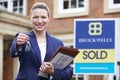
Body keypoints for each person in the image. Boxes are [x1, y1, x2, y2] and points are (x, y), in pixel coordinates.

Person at [10, 2, 73, 80]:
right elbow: (13, 52)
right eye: (36, 17)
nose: (39, 21)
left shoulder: (57, 43)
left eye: (43, 17)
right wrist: (17, 44)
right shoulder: (22, 38)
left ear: (48, 19)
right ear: (30, 19)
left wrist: (53, 71)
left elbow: (68, 72)